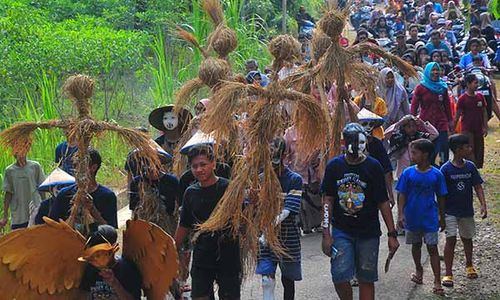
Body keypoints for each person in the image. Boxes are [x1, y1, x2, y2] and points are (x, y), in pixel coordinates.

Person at [321, 123, 399, 300]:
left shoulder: (373, 166)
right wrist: (326, 233)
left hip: (368, 232)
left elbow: (383, 201)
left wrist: (392, 234)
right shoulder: (334, 166)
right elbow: (328, 200)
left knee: (366, 278)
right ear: (344, 142)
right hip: (342, 231)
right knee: (340, 275)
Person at [174, 145, 241, 300]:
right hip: (202, 254)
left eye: (203, 164)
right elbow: (184, 224)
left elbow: (243, 217)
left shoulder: (229, 188)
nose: (199, 170)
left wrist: (252, 203)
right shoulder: (190, 192)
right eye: (194, 166)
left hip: (228, 252)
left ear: (213, 164)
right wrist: (172, 247)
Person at [396, 138, 447, 296]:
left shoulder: (436, 174)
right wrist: (401, 214)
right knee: (416, 245)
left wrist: (442, 216)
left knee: (432, 248)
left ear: (425, 155)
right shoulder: (408, 173)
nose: (412, 155)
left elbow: (441, 196)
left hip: (430, 217)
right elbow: (402, 194)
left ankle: (437, 280)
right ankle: (419, 270)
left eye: (414, 152)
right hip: (412, 217)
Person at [256, 137, 303, 300]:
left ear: (284, 155)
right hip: (265, 240)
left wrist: (267, 230)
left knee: (288, 279)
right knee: (266, 279)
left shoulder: (294, 179)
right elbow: (253, 207)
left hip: (287, 237)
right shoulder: (260, 179)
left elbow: (289, 209)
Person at [440, 134, 487, 288]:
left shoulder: (470, 167)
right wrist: (440, 214)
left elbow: (478, 186)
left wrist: (483, 204)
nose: (470, 149)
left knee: (467, 238)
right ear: (459, 150)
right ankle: (448, 273)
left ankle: (469, 265)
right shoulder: (445, 169)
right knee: (451, 240)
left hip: (467, 211)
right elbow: (441, 194)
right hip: (450, 212)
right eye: (467, 146)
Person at [49, 149, 118, 234]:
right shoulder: (64, 194)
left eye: (79, 166)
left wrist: (92, 209)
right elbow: (52, 227)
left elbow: (111, 231)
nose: (75, 171)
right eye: (74, 166)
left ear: (93, 168)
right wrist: (74, 211)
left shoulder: (107, 196)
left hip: (97, 244)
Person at [79, 225, 142, 299]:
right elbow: (83, 293)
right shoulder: (90, 269)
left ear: (113, 248)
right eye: (94, 254)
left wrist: (115, 283)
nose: (96, 259)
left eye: (101, 253)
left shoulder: (127, 268)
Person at [411, 62, 453, 165]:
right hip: (426, 123)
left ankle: (443, 169)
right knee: (427, 149)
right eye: (433, 70)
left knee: (443, 148)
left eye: (437, 70)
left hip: (441, 122)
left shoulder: (443, 87)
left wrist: (450, 120)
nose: (435, 72)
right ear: (427, 72)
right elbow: (414, 106)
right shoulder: (420, 88)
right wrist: (412, 121)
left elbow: (447, 105)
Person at [284, 125, 322, 234]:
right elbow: (286, 152)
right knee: (300, 200)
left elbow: (321, 148)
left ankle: (316, 223)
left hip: (312, 172)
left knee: (314, 197)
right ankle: (304, 226)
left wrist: (317, 159)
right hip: (297, 170)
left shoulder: (315, 130)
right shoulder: (290, 133)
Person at [1, 153, 45, 230]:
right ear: (14, 154)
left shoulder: (35, 166)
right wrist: (5, 215)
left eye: (22, 152)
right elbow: (8, 193)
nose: (21, 155)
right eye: (18, 153)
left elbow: (42, 188)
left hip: (34, 208)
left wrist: (44, 207)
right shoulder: (10, 171)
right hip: (19, 213)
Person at [453, 74, 488, 168]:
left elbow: (484, 112)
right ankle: (471, 169)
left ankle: (477, 168)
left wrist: (485, 126)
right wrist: (452, 129)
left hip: (478, 128)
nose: (477, 85)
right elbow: (457, 115)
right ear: (468, 84)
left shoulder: (480, 96)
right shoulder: (462, 99)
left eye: (477, 83)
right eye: (475, 83)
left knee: (479, 149)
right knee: (469, 150)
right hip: (467, 129)